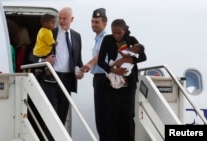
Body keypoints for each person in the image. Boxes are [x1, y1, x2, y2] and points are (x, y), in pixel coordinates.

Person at [35, 7, 84, 140]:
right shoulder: (49, 33)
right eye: (60, 18)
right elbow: (33, 54)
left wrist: (80, 71)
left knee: (62, 115)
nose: (61, 21)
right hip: (50, 79)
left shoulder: (76, 36)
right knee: (52, 115)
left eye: (64, 19)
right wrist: (44, 60)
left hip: (67, 80)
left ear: (72, 19)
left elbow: (78, 59)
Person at [98, 19, 147, 141]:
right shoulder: (107, 40)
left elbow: (143, 57)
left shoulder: (131, 41)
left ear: (124, 31)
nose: (116, 36)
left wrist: (126, 60)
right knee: (112, 116)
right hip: (111, 85)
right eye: (114, 33)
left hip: (128, 85)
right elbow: (100, 61)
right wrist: (113, 70)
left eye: (119, 33)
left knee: (128, 116)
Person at [81, 8, 108, 141]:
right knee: (100, 116)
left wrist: (89, 65)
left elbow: (101, 54)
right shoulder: (98, 39)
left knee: (104, 116)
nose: (93, 24)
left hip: (104, 79)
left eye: (97, 22)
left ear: (105, 23)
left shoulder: (106, 38)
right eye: (92, 21)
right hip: (98, 79)